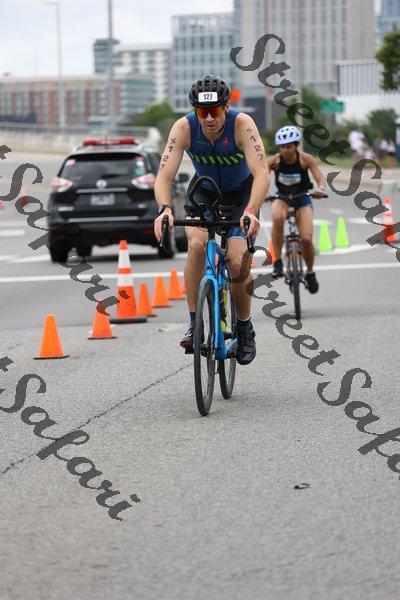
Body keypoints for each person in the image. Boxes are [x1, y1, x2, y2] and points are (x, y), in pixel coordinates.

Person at [153, 74, 270, 365]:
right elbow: (163, 176)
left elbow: (262, 174)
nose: (208, 119)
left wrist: (251, 211)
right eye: (202, 112)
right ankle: (195, 323)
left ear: (226, 107)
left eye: (214, 111)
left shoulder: (242, 125)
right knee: (195, 245)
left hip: (241, 196)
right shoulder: (183, 128)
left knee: (236, 261)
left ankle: (244, 327)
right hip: (205, 191)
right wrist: (165, 209)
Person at [266, 125, 326, 293]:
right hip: (282, 197)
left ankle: (310, 272)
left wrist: (321, 189)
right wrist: (264, 193)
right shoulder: (274, 161)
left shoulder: (306, 159)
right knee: (276, 217)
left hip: (302, 197)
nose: (286, 150)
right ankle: (278, 262)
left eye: (289, 146)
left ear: (296, 145)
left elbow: (320, 177)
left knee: (306, 238)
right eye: (282, 147)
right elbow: (262, 177)